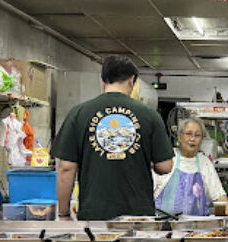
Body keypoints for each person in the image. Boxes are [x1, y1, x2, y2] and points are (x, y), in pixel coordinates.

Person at [51, 56, 174, 221]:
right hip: (138, 216)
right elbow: (165, 166)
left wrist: (64, 213)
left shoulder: (78, 113)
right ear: (132, 81)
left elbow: (66, 168)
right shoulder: (150, 115)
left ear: (102, 81)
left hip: (94, 215)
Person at [152, 118, 228, 216]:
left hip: (198, 228)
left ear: (202, 140)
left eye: (197, 135)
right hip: (164, 226)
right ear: (179, 137)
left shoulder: (205, 162)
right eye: (188, 134)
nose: (192, 139)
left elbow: (219, 195)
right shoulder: (166, 158)